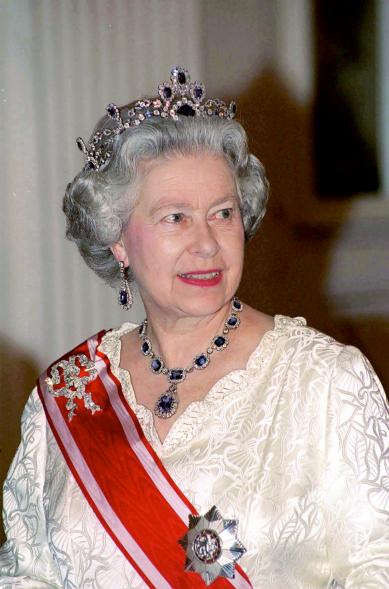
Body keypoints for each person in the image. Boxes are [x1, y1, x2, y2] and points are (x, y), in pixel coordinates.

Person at [0, 66, 388, 589]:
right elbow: (26, 574)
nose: (207, 243)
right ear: (117, 238)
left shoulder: (324, 381)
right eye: (175, 217)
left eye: (223, 213)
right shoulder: (69, 395)